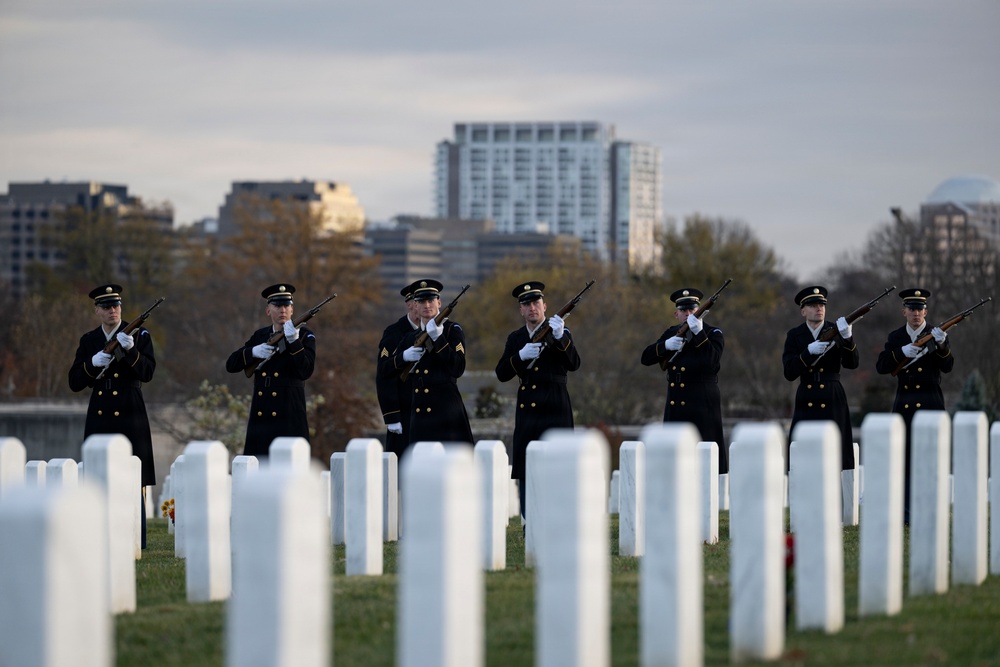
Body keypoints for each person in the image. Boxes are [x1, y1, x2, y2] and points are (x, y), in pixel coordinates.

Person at [69, 283, 156, 547]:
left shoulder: (139, 336)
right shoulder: (89, 340)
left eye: (116, 305)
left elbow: (148, 373)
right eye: (106, 307)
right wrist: (91, 365)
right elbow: (74, 382)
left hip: (130, 408)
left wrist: (130, 352)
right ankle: (98, 535)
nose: (113, 311)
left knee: (133, 474)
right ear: (97, 311)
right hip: (101, 409)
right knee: (98, 474)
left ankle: (135, 537)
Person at [495, 281, 581, 515]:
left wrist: (561, 336)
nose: (532, 308)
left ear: (545, 306)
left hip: (555, 404)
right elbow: (502, 373)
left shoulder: (559, 331)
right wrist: (520, 356)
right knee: (526, 467)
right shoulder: (516, 338)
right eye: (526, 304)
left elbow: (574, 363)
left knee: (558, 466)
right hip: (528, 409)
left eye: (536, 303)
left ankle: (560, 517)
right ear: (521, 310)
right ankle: (528, 521)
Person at [874, 288, 953, 522]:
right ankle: (907, 512)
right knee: (905, 460)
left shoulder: (937, 334)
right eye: (912, 309)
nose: (916, 313)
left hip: (930, 402)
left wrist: (942, 346)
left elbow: (947, 366)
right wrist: (901, 352)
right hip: (905, 405)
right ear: (904, 311)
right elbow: (882, 366)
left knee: (931, 458)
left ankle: (932, 511)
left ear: (926, 311)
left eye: (920, 309)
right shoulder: (896, 337)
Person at [640, 288, 728, 472]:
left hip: (702, 402)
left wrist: (699, 334)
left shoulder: (713, 333)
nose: (688, 314)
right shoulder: (672, 333)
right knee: (676, 462)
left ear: (700, 311)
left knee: (704, 459)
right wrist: (665, 345)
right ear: (676, 314)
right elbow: (646, 358)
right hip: (677, 402)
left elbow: (712, 362)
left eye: (692, 310)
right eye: (684, 311)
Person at [226, 283, 316, 458]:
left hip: (289, 413)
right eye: (277, 305)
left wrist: (294, 342)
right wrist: (252, 352)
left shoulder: (304, 335)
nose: (282, 310)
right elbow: (231, 365)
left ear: (292, 310)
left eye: (286, 305)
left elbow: (305, 371)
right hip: (262, 415)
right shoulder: (260, 336)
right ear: (268, 311)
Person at [382, 279, 474, 446]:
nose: (427, 305)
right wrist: (403, 357)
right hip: (420, 414)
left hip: (447, 412)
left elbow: (458, 368)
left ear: (439, 302)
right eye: (421, 301)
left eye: (431, 300)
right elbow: (385, 370)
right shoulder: (410, 338)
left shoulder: (452, 330)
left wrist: (438, 339)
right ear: (415, 306)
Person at [782, 285, 859, 471]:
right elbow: (789, 372)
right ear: (803, 311)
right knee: (803, 452)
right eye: (813, 305)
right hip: (807, 394)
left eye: (822, 305)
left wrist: (848, 338)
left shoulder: (837, 329)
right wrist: (807, 352)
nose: (819, 308)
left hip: (832, 395)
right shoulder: (795, 335)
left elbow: (852, 363)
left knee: (837, 452)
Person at [376, 280, 420, 458]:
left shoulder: (436, 330)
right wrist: (392, 416)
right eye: (418, 301)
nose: (423, 306)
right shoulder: (394, 332)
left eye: (426, 301)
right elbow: (384, 374)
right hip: (404, 410)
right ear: (409, 304)